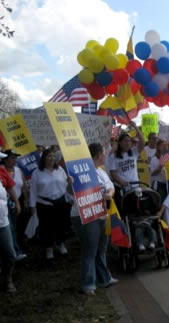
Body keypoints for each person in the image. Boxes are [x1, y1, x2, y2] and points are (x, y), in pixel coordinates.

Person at [70, 143, 118, 296]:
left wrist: (109, 194)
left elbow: (111, 187)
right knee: (89, 250)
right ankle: (88, 284)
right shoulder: (81, 171)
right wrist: (69, 184)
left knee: (101, 249)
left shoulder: (101, 172)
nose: (106, 156)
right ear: (98, 154)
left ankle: (104, 278)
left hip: (101, 214)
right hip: (84, 216)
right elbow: (71, 191)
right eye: (104, 153)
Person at [29, 147, 72, 260]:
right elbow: (33, 191)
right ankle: (48, 249)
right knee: (46, 227)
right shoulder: (37, 173)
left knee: (61, 225)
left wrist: (70, 184)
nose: (52, 158)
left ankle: (60, 244)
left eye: (53, 156)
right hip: (44, 204)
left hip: (61, 202)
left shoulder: (60, 170)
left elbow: (66, 186)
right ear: (44, 158)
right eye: (49, 156)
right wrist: (32, 206)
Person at [109, 121, 145, 211]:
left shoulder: (133, 152)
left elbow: (142, 142)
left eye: (129, 141)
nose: (128, 143)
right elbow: (112, 173)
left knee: (136, 210)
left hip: (135, 188)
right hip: (122, 189)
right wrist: (122, 183)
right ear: (120, 143)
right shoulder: (113, 156)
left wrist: (136, 127)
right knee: (124, 211)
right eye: (125, 141)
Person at [1, 150, 28, 261]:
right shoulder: (3, 169)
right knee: (11, 229)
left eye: (15, 158)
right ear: (5, 160)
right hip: (6, 205)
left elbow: (21, 187)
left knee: (17, 227)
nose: (14, 160)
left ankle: (17, 249)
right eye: (12, 158)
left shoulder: (17, 170)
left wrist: (22, 201)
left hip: (15, 202)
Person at [0, 151, 17, 293]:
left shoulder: (2, 171)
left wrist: (17, 202)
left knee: (10, 254)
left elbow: (10, 188)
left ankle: (8, 279)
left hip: (3, 221)